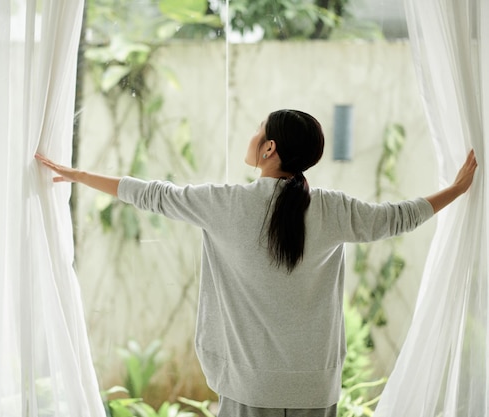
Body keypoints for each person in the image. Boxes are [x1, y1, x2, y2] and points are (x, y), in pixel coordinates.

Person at [35, 109, 477, 417]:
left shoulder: (224, 204)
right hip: (315, 388)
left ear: (269, 148)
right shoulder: (333, 209)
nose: (250, 135)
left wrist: (79, 176)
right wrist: (456, 191)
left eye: (256, 130)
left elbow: (152, 193)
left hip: (249, 388)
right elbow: (397, 217)